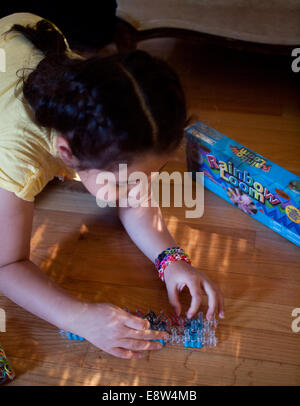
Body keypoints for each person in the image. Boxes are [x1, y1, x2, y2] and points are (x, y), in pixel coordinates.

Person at [0, 12, 225, 360]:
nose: (139, 189)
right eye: (122, 181)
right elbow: (6, 265)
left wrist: (171, 259)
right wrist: (78, 317)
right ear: (66, 153)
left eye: (150, 172)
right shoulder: (18, 153)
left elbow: (136, 201)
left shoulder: (104, 101)